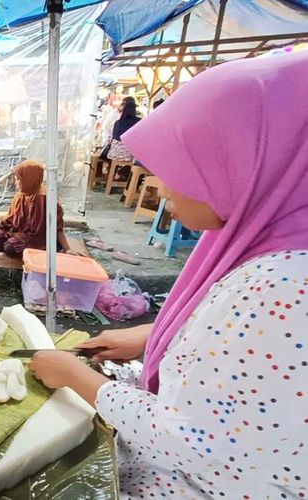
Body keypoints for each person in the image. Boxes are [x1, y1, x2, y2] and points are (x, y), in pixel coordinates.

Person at [30, 52, 308, 497]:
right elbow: (238, 360)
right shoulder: (266, 242)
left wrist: (77, 377)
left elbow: (194, 442)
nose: (157, 179)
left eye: (188, 160)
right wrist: (153, 334)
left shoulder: (285, 289)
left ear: (251, 164)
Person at [0, 160, 85, 258]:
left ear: (29, 179)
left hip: (39, 239)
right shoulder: (21, 195)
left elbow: (57, 228)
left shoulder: (47, 199)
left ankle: (48, 248)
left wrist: (67, 248)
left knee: (10, 247)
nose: (15, 183)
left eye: (18, 179)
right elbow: (11, 220)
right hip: (20, 234)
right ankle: (11, 243)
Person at [106, 97, 141, 162]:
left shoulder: (118, 122)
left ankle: (115, 170)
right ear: (134, 110)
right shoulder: (139, 122)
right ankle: (126, 171)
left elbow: (114, 137)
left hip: (114, 153)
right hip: (129, 155)